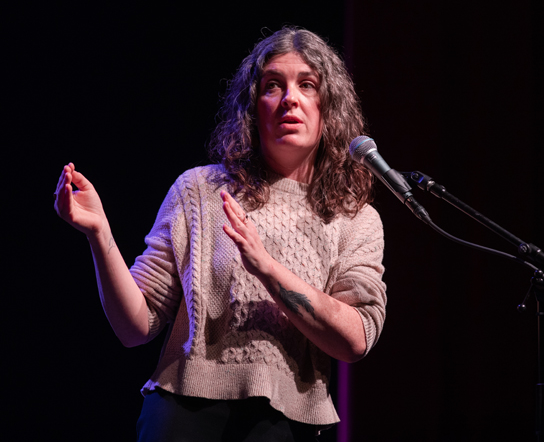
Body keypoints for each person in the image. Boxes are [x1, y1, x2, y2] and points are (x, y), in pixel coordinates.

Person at [53, 27, 387, 441]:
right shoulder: (200, 191)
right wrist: (99, 234)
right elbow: (134, 327)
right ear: (253, 106)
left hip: (290, 423)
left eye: (307, 85)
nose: (290, 99)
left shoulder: (354, 217)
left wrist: (266, 267)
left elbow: (355, 339)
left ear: (328, 107)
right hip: (183, 412)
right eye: (272, 86)